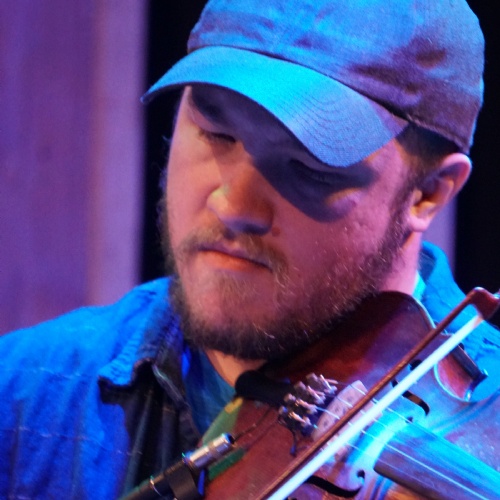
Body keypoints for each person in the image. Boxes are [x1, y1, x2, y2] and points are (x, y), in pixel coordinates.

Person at [1, 0, 499, 498]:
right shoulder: (22, 398)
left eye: (309, 166)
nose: (232, 204)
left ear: (429, 191)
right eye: (216, 132)